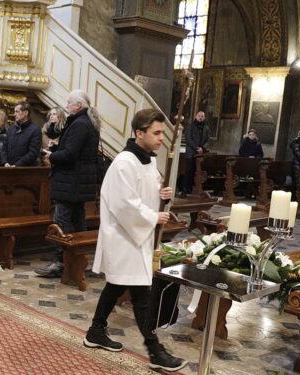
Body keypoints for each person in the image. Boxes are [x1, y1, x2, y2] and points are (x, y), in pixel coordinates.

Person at [84, 108, 187, 372]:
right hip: (124, 236)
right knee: (141, 292)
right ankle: (155, 351)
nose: (161, 138)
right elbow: (125, 205)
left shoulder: (147, 160)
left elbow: (143, 194)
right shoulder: (124, 163)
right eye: (156, 133)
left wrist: (160, 193)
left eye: (163, 133)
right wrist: (153, 216)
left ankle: (96, 331)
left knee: (116, 286)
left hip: (136, 236)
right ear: (139, 133)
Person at [34, 91, 99, 278]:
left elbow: (70, 154)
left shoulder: (79, 124)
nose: (67, 105)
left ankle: (59, 262)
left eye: (69, 102)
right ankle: (77, 260)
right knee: (78, 221)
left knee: (60, 222)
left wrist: (51, 155)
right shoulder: (86, 122)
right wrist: (57, 149)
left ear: (78, 105)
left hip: (71, 180)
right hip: (78, 181)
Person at [1, 102, 41, 167]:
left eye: (17, 111)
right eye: (14, 112)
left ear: (26, 113)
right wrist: (5, 162)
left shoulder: (35, 129)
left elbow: (33, 153)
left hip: (24, 170)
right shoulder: (11, 128)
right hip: (8, 167)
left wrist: (17, 165)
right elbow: (4, 148)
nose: (14, 114)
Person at [182, 110, 210, 194]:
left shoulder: (206, 128)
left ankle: (195, 188)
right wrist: (196, 147)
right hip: (191, 152)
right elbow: (188, 138)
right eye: (199, 116)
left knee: (197, 171)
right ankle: (186, 189)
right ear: (196, 116)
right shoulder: (191, 126)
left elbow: (208, 140)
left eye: (202, 116)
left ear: (204, 117)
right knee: (189, 171)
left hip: (200, 153)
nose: (200, 118)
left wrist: (203, 148)